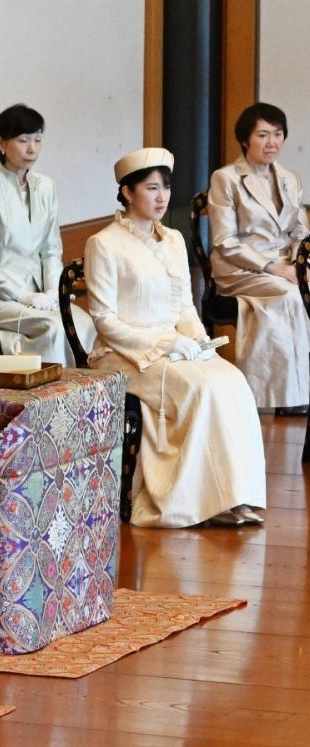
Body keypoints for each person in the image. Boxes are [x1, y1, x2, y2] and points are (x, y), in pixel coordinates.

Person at [84, 148, 266, 528]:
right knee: (199, 390)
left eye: (165, 187)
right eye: (151, 188)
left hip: (174, 346)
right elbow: (103, 320)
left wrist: (200, 342)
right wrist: (164, 344)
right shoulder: (104, 243)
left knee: (231, 380)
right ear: (128, 192)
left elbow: (183, 305)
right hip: (122, 353)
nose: (162, 197)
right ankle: (196, 501)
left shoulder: (173, 240)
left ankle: (236, 496)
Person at [208, 102, 310, 413]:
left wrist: (299, 264)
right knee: (290, 295)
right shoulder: (226, 178)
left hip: (285, 262)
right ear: (244, 139)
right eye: (263, 135)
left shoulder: (289, 177)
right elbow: (225, 241)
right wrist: (273, 267)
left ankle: (301, 383)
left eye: (278, 135)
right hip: (241, 267)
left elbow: (300, 232)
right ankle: (280, 396)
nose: (272, 143)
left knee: (302, 285)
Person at [0, 103, 96, 365]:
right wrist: (23, 296)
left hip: (40, 295)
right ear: (1, 143)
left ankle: (83, 400)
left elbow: (50, 249)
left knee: (85, 323)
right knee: (54, 328)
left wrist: (52, 291)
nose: (32, 149)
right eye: (23, 140)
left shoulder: (45, 186)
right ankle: (48, 401)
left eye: (38, 140)